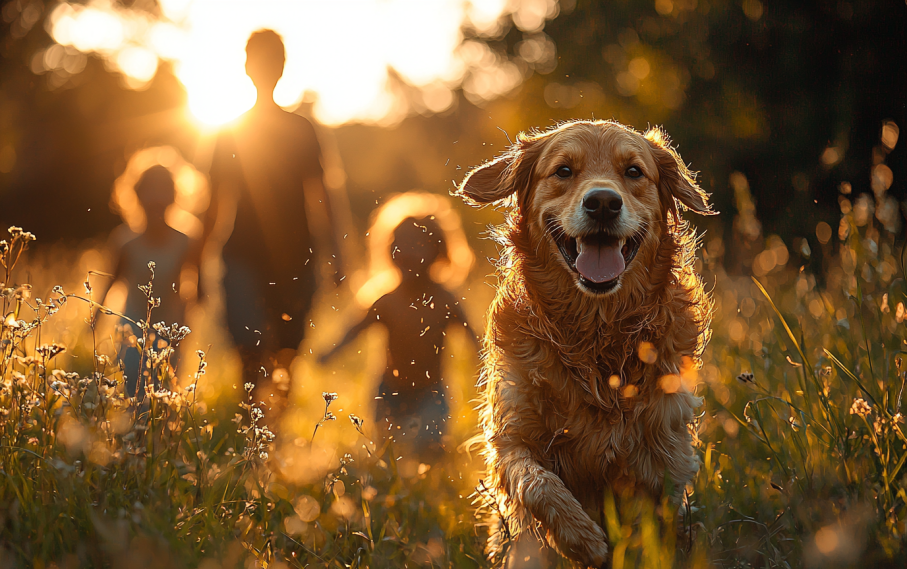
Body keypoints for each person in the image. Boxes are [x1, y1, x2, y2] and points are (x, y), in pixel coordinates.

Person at [203, 29, 342, 421]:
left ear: (282, 67)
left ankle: (274, 427)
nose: (265, 67)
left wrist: (339, 255)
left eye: (272, 60)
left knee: (288, 347)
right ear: (247, 67)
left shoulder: (301, 131)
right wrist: (196, 261)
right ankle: (250, 425)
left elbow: (323, 195)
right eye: (258, 60)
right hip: (242, 254)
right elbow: (213, 203)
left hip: (296, 256)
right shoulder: (230, 131)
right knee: (247, 343)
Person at [320, 215, 479, 461]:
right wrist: (331, 352)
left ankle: (429, 485)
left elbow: (473, 336)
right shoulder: (386, 301)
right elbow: (355, 329)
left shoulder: (445, 300)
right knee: (387, 453)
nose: (405, 251)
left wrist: (485, 363)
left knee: (430, 448)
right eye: (399, 244)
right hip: (389, 392)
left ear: (438, 249)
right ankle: (389, 487)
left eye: (417, 244)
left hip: (432, 392)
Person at [108, 165, 192, 396]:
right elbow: (110, 283)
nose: (156, 197)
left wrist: (185, 330)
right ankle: (135, 432)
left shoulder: (185, 243)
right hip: (131, 331)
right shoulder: (124, 242)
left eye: (164, 189)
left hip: (170, 331)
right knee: (134, 388)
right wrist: (92, 324)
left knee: (165, 393)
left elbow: (197, 292)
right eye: (150, 189)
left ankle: (160, 432)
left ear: (174, 196)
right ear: (137, 195)